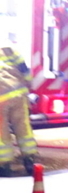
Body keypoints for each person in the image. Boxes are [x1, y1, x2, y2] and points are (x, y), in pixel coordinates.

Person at [0, 46, 38, 176]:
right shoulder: (8, 50)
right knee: (23, 126)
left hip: (1, 99)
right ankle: (30, 159)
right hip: (19, 94)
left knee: (2, 131)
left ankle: (4, 165)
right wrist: (28, 83)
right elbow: (24, 69)